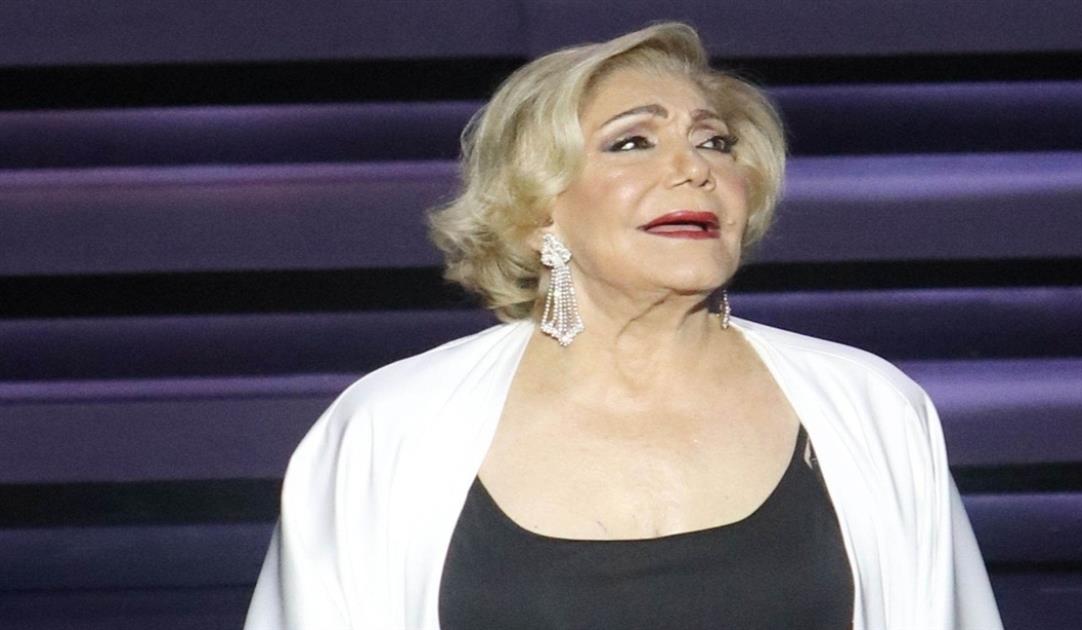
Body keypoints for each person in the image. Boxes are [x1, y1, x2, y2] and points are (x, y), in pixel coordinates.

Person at [245, 22, 1002, 630]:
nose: (694, 169)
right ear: (537, 209)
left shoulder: (870, 407)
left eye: (714, 141)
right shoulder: (390, 428)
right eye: (633, 142)